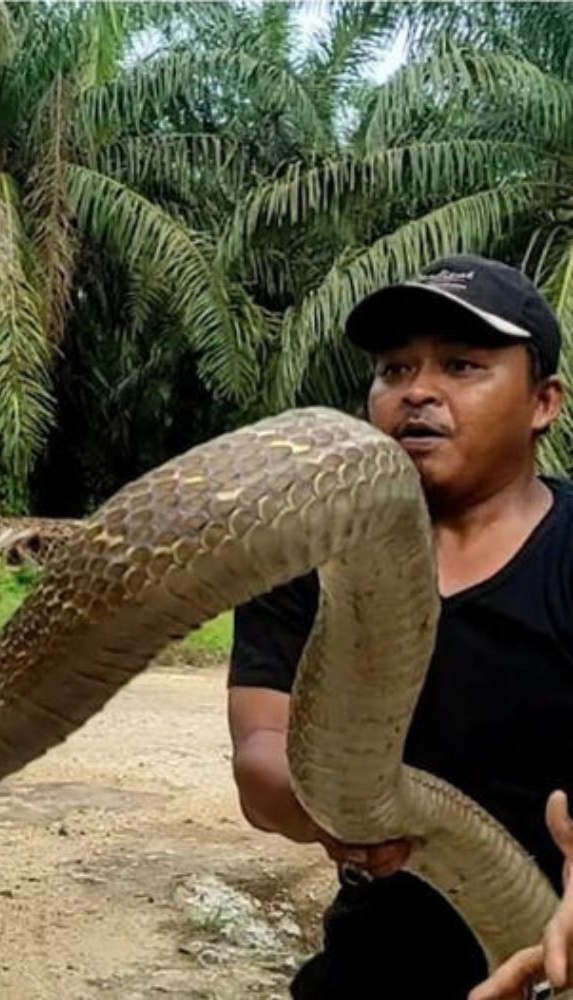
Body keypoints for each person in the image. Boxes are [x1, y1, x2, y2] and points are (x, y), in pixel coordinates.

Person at [228, 254, 573, 999]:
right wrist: (334, 812)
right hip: (367, 973)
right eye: (393, 370)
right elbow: (260, 752)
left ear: (543, 401)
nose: (418, 391)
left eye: (461, 365)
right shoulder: (300, 547)